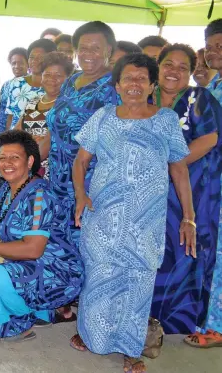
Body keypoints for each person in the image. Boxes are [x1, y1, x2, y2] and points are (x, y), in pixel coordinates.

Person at [70, 53, 194, 373]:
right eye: (128, 78)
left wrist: (188, 217)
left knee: (138, 283)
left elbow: (179, 171)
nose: (134, 84)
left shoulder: (165, 121)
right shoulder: (103, 117)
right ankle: (90, 332)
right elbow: (80, 162)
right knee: (99, 277)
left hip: (145, 221)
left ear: (152, 85)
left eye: (142, 78)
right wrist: (80, 194)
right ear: (117, 85)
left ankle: (130, 348)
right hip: (103, 217)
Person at [0, 130, 82, 341]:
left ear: (30, 160)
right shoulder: (9, 188)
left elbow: (33, 249)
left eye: (15, 157)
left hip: (57, 271)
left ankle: (14, 322)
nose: (7, 163)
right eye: (2, 158)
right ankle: (29, 315)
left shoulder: (40, 195)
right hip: (25, 264)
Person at [42, 21, 118, 324]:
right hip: (57, 179)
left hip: (92, 183)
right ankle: (64, 303)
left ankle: (94, 317)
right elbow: (53, 129)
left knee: (90, 247)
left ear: (109, 51)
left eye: (96, 47)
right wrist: (32, 163)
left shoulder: (114, 88)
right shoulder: (72, 81)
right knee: (60, 241)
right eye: (82, 47)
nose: (88, 53)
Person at [149, 44, 222, 335]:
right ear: (158, 65)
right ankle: (143, 318)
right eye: (169, 64)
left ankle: (176, 322)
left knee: (182, 251)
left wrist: (165, 165)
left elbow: (209, 140)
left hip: (188, 191)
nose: (174, 71)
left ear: (191, 73)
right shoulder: (143, 95)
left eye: (182, 67)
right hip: (145, 192)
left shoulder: (199, 97)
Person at [184, 18, 222, 348]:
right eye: (209, 47)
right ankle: (209, 319)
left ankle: (217, 327)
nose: (213, 52)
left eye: (220, 46)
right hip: (210, 181)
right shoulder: (213, 86)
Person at [15, 52, 74, 178]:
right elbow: (16, 133)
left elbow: (53, 141)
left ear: (68, 79)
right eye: (47, 74)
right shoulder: (33, 101)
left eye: (58, 75)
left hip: (54, 173)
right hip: (26, 167)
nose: (52, 79)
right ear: (41, 77)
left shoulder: (68, 105)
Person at [0, 39, 56, 137]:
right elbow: (10, 117)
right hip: (16, 139)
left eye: (40, 57)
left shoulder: (54, 86)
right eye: (32, 57)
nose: (35, 61)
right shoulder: (16, 83)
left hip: (41, 142)